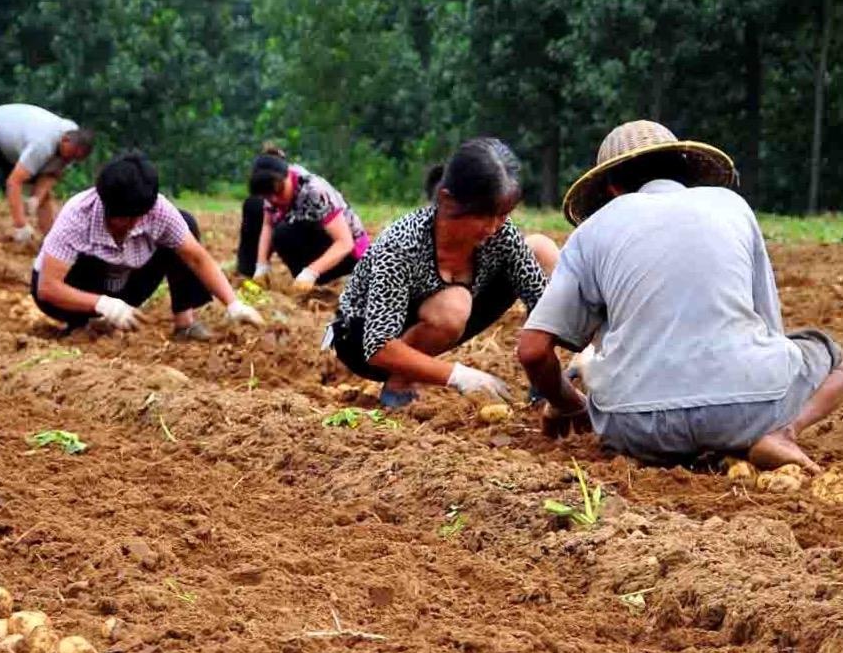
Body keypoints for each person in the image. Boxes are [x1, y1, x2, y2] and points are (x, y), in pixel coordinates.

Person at [518, 120, 843, 473]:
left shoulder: (592, 230)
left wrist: (569, 405)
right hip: (748, 412)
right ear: (684, 171)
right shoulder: (732, 206)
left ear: (611, 187)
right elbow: (768, 327)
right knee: (833, 357)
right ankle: (783, 433)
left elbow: (533, 351)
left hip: (634, 428)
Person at [328, 138, 559, 408]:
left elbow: (541, 300)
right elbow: (378, 346)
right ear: (448, 201)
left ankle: (542, 387)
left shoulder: (502, 235)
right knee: (454, 305)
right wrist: (457, 375)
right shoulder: (402, 244)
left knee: (540, 248)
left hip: (439, 315)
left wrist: (561, 365)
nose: (495, 227)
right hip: (363, 341)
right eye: (485, 216)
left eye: (503, 215)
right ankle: (400, 382)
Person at [32, 152, 264, 341]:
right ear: (106, 205)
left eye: (139, 216)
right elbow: (48, 287)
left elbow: (196, 258)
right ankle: (81, 324)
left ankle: (185, 325)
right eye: (125, 218)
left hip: (125, 284)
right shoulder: (78, 214)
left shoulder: (157, 210)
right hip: (74, 288)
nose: (133, 224)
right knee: (75, 284)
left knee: (185, 225)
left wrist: (233, 304)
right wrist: (104, 305)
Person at [0, 104, 95, 253]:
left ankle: (55, 248)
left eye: (74, 158)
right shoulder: (42, 145)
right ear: (65, 140)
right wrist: (20, 224)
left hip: (17, 146)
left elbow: (51, 175)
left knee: (45, 198)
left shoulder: (72, 146)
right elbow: (13, 182)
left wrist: (36, 198)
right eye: (70, 156)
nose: (69, 161)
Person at [237, 148, 369, 293]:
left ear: (287, 175)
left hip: (348, 257)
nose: (274, 199)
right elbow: (267, 224)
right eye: (269, 196)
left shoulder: (314, 191)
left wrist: (312, 272)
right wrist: (261, 265)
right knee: (253, 206)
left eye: (279, 192)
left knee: (284, 233)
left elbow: (345, 243)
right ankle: (251, 277)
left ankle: (317, 279)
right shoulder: (272, 188)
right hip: (311, 238)